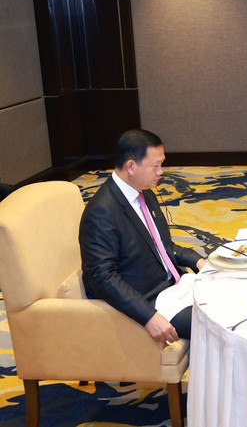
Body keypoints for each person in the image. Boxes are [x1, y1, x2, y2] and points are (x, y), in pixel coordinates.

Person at [80, 129, 206, 342]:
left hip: (177, 287)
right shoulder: (102, 211)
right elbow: (102, 277)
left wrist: (199, 261)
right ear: (131, 166)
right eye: (155, 166)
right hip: (153, 302)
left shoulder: (143, 191)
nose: (161, 172)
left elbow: (161, 246)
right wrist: (149, 317)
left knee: (234, 298)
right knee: (223, 323)